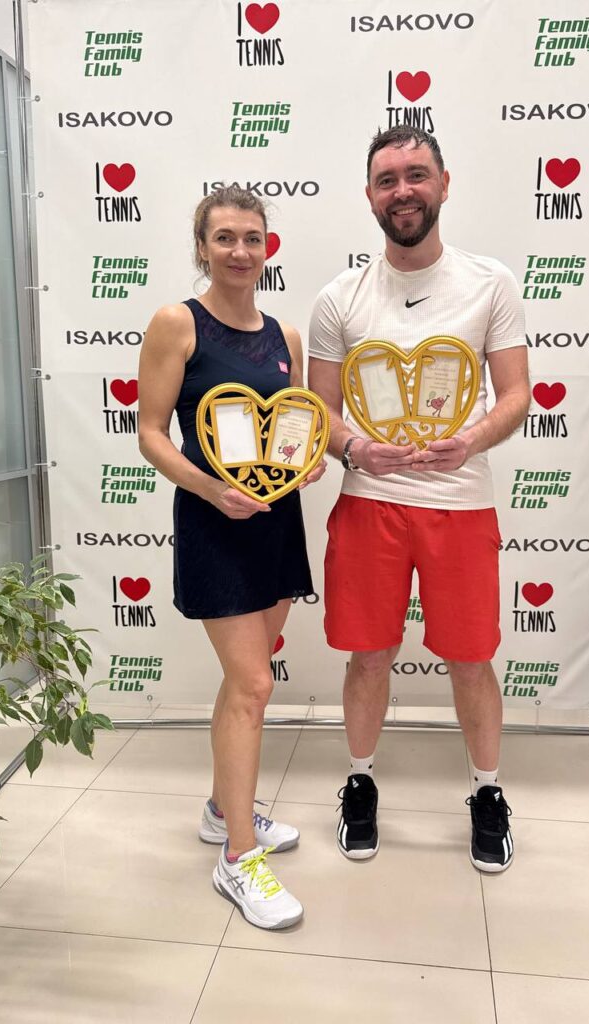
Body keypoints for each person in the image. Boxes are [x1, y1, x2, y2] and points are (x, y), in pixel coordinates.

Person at [308, 127, 530, 872]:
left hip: (460, 505)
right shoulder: (339, 298)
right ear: (370, 196)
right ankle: (360, 783)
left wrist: (471, 441)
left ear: (443, 183)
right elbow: (321, 412)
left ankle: (488, 793)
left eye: (416, 174)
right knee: (369, 657)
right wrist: (353, 449)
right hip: (369, 501)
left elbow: (516, 395)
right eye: (387, 179)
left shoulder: (490, 283)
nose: (402, 190)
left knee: (470, 659)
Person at [138, 186, 325, 929]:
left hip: (275, 523)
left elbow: (292, 424)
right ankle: (238, 858)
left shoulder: (286, 333)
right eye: (225, 238)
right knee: (253, 684)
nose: (240, 251)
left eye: (252, 237)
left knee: (246, 681)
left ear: (267, 247)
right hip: (215, 522)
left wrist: (306, 462)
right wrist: (211, 490)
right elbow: (152, 433)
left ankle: (224, 809)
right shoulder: (176, 323)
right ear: (202, 247)